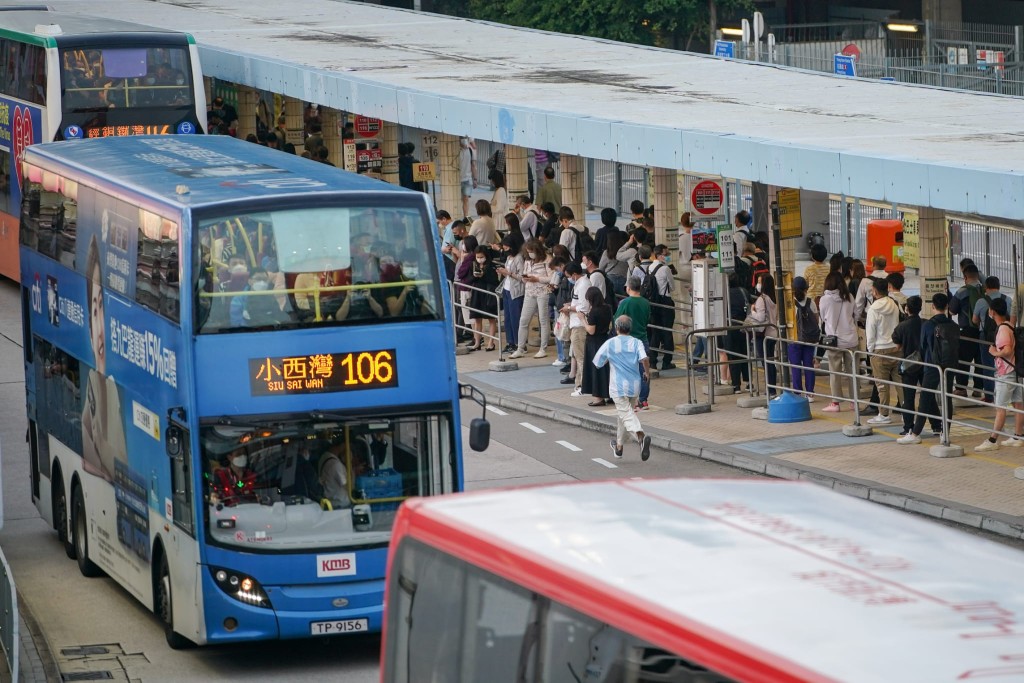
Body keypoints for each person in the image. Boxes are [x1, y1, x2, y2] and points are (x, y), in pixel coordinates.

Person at [81, 236, 128, 483]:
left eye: (102, 307)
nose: (100, 331)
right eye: (94, 311)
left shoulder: (112, 390)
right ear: (90, 328)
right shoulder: (93, 382)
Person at [898, 293, 957, 444]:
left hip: (932, 366)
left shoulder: (928, 325)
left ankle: (915, 432)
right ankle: (946, 432)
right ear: (946, 307)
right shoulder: (953, 326)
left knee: (925, 397)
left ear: (932, 306)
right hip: (949, 365)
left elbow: (923, 347)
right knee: (947, 398)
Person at [593, 315, 653, 462]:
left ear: (616, 327)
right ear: (630, 328)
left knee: (626, 415)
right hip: (635, 385)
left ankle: (640, 436)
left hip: (618, 386)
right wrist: (646, 372)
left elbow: (597, 362)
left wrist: (610, 359)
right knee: (624, 415)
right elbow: (644, 358)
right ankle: (619, 447)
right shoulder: (636, 342)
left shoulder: (610, 343)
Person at [976, 298, 1023, 451]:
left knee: (1000, 407)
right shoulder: (1010, 325)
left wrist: (995, 352)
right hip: (1016, 371)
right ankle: (1018, 436)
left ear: (993, 312)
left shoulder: (1002, 329)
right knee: (1018, 405)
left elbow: (1007, 350)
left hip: (1006, 373)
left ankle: (992, 440)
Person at [819, 271, 858, 413]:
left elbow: (823, 318)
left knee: (834, 372)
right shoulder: (850, 297)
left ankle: (835, 403)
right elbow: (856, 314)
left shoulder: (825, 299)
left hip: (834, 341)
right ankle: (855, 402)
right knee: (853, 372)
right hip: (851, 339)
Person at [865, 276, 902, 424]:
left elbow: (871, 331)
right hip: (895, 348)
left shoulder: (873, 309)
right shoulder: (894, 304)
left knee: (881, 385)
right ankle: (907, 411)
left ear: (874, 291)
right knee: (900, 383)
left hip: (879, 350)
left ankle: (883, 414)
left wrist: (870, 350)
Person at [614, 277, 652, 411]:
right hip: (643, 339)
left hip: (627, 341)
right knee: (644, 371)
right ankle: (643, 400)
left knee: (627, 371)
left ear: (628, 287)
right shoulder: (646, 303)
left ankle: (629, 398)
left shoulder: (625, 302)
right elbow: (647, 319)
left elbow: (617, 320)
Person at [972, 276, 1012, 402]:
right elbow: (1012, 318)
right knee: (1007, 363)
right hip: (1005, 333)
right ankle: (1008, 394)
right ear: (999, 286)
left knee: (987, 365)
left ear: (986, 287)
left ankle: (989, 395)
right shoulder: (1008, 300)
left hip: (986, 338)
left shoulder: (981, 301)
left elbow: (974, 320)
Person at [509, 241, 552, 359]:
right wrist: (526, 278)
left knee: (543, 320)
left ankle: (543, 348)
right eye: (528, 252)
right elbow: (524, 276)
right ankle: (520, 348)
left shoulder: (547, 259)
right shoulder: (528, 261)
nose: (530, 254)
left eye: (532, 251)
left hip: (543, 292)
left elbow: (551, 277)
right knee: (523, 320)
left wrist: (537, 279)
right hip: (529, 292)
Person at [891, 295, 926, 438]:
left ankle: (908, 427)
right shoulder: (925, 323)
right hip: (924, 363)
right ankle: (936, 425)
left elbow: (897, 344)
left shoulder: (902, 326)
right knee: (927, 395)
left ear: (906, 309)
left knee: (909, 397)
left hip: (908, 364)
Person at [950, 263, 985, 397]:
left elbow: (952, 311)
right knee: (980, 360)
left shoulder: (962, 291)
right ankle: (978, 388)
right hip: (983, 331)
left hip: (967, 331)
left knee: (963, 359)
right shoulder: (985, 290)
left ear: (965, 277)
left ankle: (961, 388)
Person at [560, 263, 592, 395]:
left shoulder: (584, 284)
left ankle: (582, 386)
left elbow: (583, 307)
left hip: (579, 325)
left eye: (568, 276)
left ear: (574, 274)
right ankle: (579, 384)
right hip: (576, 323)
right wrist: (570, 306)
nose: (568, 279)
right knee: (579, 356)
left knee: (580, 357)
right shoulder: (580, 283)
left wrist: (568, 308)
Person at [579, 287, 613, 407]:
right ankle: (609, 394)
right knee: (606, 369)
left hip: (593, 342)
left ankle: (598, 398)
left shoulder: (594, 312)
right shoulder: (607, 308)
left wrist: (583, 320)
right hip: (605, 339)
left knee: (595, 369)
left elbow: (591, 330)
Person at [747, 273, 779, 398]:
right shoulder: (775, 297)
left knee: (765, 361)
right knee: (770, 361)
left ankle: (770, 389)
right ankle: (773, 388)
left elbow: (760, 318)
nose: (757, 284)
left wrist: (753, 310)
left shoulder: (762, 299)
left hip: (763, 334)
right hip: (773, 332)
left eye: (759, 282)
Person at [789, 277, 818, 400]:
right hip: (809, 339)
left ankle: (797, 392)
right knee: (808, 365)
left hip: (794, 339)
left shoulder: (790, 303)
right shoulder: (810, 302)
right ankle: (810, 393)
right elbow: (817, 320)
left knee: (796, 366)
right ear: (806, 289)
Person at [496, 233, 526, 353]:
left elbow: (522, 277)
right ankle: (510, 342)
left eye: (507, 247)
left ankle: (520, 343)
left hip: (516, 291)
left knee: (515, 318)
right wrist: (502, 272)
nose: (505, 249)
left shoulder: (519, 258)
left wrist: (509, 273)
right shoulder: (509, 258)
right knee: (507, 318)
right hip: (507, 289)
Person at [318, 440, 369, 509]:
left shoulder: (324, 457)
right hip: (340, 505)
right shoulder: (336, 465)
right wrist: (350, 465)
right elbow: (350, 487)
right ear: (344, 445)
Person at [467, 247, 499, 351]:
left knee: (491, 319)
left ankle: (491, 342)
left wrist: (483, 275)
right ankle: (477, 342)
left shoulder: (491, 266)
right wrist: (476, 276)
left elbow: (494, 281)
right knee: (477, 318)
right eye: (478, 257)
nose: (480, 259)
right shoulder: (473, 264)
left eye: (482, 257)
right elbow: (469, 279)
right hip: (477, 292)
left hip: (488, 293)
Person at [458, 136, 477, 218]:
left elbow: (473, 165)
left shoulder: (470, 150)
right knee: (459, 199)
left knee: (466, 199)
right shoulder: (457, 151)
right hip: (457, 179)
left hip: (467, 179)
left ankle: (466, 216)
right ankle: (458, 215)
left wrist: (475, 179)